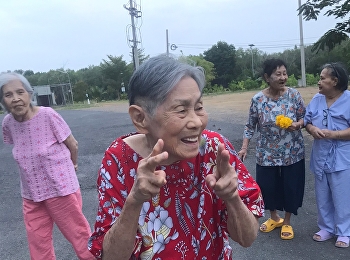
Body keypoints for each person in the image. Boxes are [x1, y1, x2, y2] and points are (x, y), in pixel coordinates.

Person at [88, 55, 264, 259]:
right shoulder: (119, 159)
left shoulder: (214, 149)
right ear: (140, 118)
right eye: (181, 110)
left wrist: (232, 197)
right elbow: (110, 256)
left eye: (198, 107)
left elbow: (247, 238)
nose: (196, 122)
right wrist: (134, 200)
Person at [0, 73, 95, 260]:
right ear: (2, 100)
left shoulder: (47, 115)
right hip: (31, 195)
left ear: (29, 94)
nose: (16, 98)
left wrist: (73, 164)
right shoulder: (8, 123)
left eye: (20, 92)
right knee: (38, 245)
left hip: (59, 190)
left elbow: (72, 144)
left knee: (80, 238)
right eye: (8, 95)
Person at [238, 58, 306, 240]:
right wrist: (244, 147)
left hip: (292, 152)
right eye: (278, 74)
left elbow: (304, 118)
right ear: (267, 77)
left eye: (284, 73)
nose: (283, 77)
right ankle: (274, 217)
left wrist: (297, 125)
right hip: (266, 153)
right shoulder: (258, 99)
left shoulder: (294, 95)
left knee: (291, 187)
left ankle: (287, 222)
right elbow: (250, 125)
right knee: (267, 187)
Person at [304, 62, 350, 248]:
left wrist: (336, 134)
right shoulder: (316, 99)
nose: (319, 82)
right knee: (322, 193)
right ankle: (326, 228)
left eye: (323, 78)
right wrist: (313, 128)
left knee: (342, 194)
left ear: (335, 81)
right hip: (320, 153)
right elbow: (307, 121)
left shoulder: (348, 99)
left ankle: (344, 231)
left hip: (341, 155)